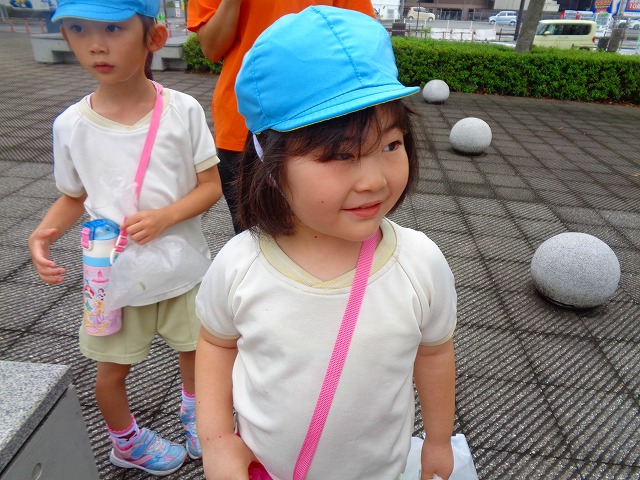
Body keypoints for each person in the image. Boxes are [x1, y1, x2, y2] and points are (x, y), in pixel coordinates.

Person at [195, 6, 457, 480]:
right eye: (340, 155)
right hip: (267, 469)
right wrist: (215, 440)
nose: (374, 180)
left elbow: (435, 352)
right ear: (270, 166)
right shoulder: (240, 264)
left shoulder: (420, 263)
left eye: (391, 145)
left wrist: (438, 441)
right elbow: (215, 343)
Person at [27, 0, 222, 476]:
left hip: (183, 269)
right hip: (113, 280)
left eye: (113, 28)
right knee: (110, 370)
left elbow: (211, 186)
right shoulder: (70, 126)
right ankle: (125, 442)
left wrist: (166, 216)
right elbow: (74, 196)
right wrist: (41, 234)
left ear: (154, 37)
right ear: (65, 36)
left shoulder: (183, 111)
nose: (96, 45)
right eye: (78, 29)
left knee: (198, 351)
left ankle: (199, 414)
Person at [187, 0, 376, 234]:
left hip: (324, 120)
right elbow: (212, 48)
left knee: (331, 231)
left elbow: (360, 35)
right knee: (256, 238)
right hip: (244, 125)